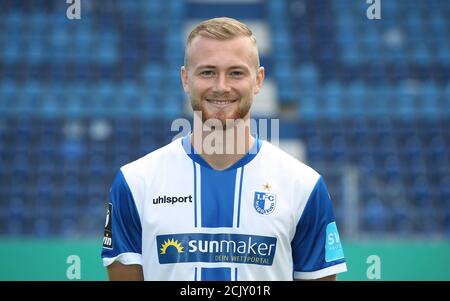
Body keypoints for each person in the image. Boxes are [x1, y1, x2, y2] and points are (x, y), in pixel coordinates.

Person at [101, 17, 347, 281]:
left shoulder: (304, 186)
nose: (221, 86)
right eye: (207, 72)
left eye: (236, 72)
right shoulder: (136, 183)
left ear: (258, 80)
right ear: (186, 79)